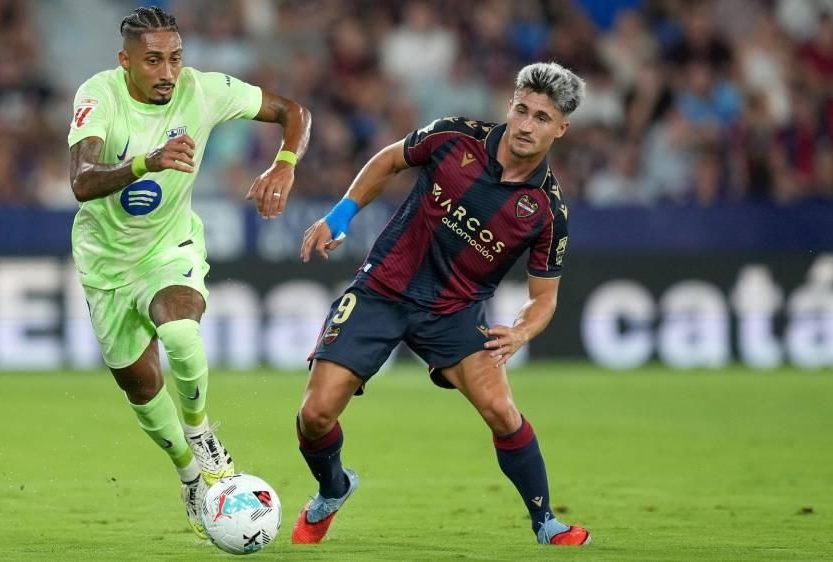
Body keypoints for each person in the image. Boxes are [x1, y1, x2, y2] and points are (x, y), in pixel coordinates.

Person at [293, 62, 590, 546]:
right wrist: (341, 214)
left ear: (561, 129)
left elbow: (544, 299)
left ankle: (546, 523)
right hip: (382, 289)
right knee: (315, 414)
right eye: (521, 110)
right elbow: (388, 160)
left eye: (541, 117)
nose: (525, 125)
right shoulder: (454, 137)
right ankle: (333, 488)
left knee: (502, 411)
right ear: (509, 105)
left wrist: (521, 331)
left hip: (454, 312)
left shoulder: (548, 211)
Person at [66, 6, 310, 538]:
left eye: (175, 58)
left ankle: (202, 437)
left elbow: (293, 112)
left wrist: (284, 164)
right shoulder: (99, 95)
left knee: (179, 331)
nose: (168, 72)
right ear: (125, 61)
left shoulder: (203, 90)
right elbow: (81, 181)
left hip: (168, 247)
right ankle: (189, 473)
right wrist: (146, 162)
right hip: (105, 263)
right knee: (141, 385)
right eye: (153, 61)